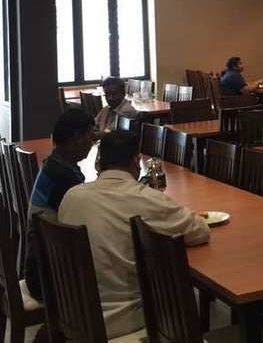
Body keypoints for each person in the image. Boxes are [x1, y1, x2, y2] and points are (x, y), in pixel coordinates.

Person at [57, 131, 210, 338]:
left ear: (98, 163)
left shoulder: (71, 196)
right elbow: (199, 230)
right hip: (125, 321)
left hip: (73, 316)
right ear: (137, 161)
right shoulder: (147, 199)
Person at [23, 108, 96, 300]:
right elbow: (88, 222)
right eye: (90, 137)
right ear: (76, 138)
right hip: (50, 277)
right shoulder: (64, 177)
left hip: (40, 266)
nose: (92, 143)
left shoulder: (54, 164)